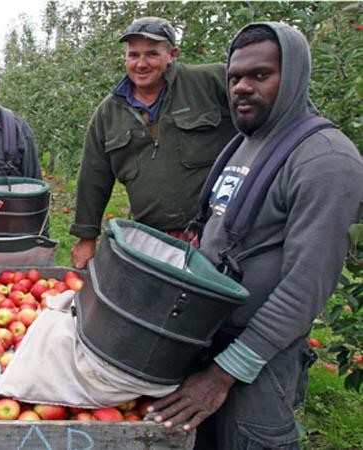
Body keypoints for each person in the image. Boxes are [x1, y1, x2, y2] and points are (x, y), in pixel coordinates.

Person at [149, 23, 363, 449]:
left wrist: (222, 375)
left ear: (295, 76)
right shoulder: (247, 142)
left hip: (258, 358)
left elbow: (305, 289)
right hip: (209, 341)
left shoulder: (325, 161)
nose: (242, 87)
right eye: (234, 78)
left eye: (260, 75)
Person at [70, 17, 237, 269]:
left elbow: (264, 101)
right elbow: (94, 176)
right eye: (133, 54)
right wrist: (86, 236)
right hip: (153, 238)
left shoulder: (209, 82)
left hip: (216, 232)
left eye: (152, 54)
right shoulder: (109, 112)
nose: (141, 63)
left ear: (172, 54)